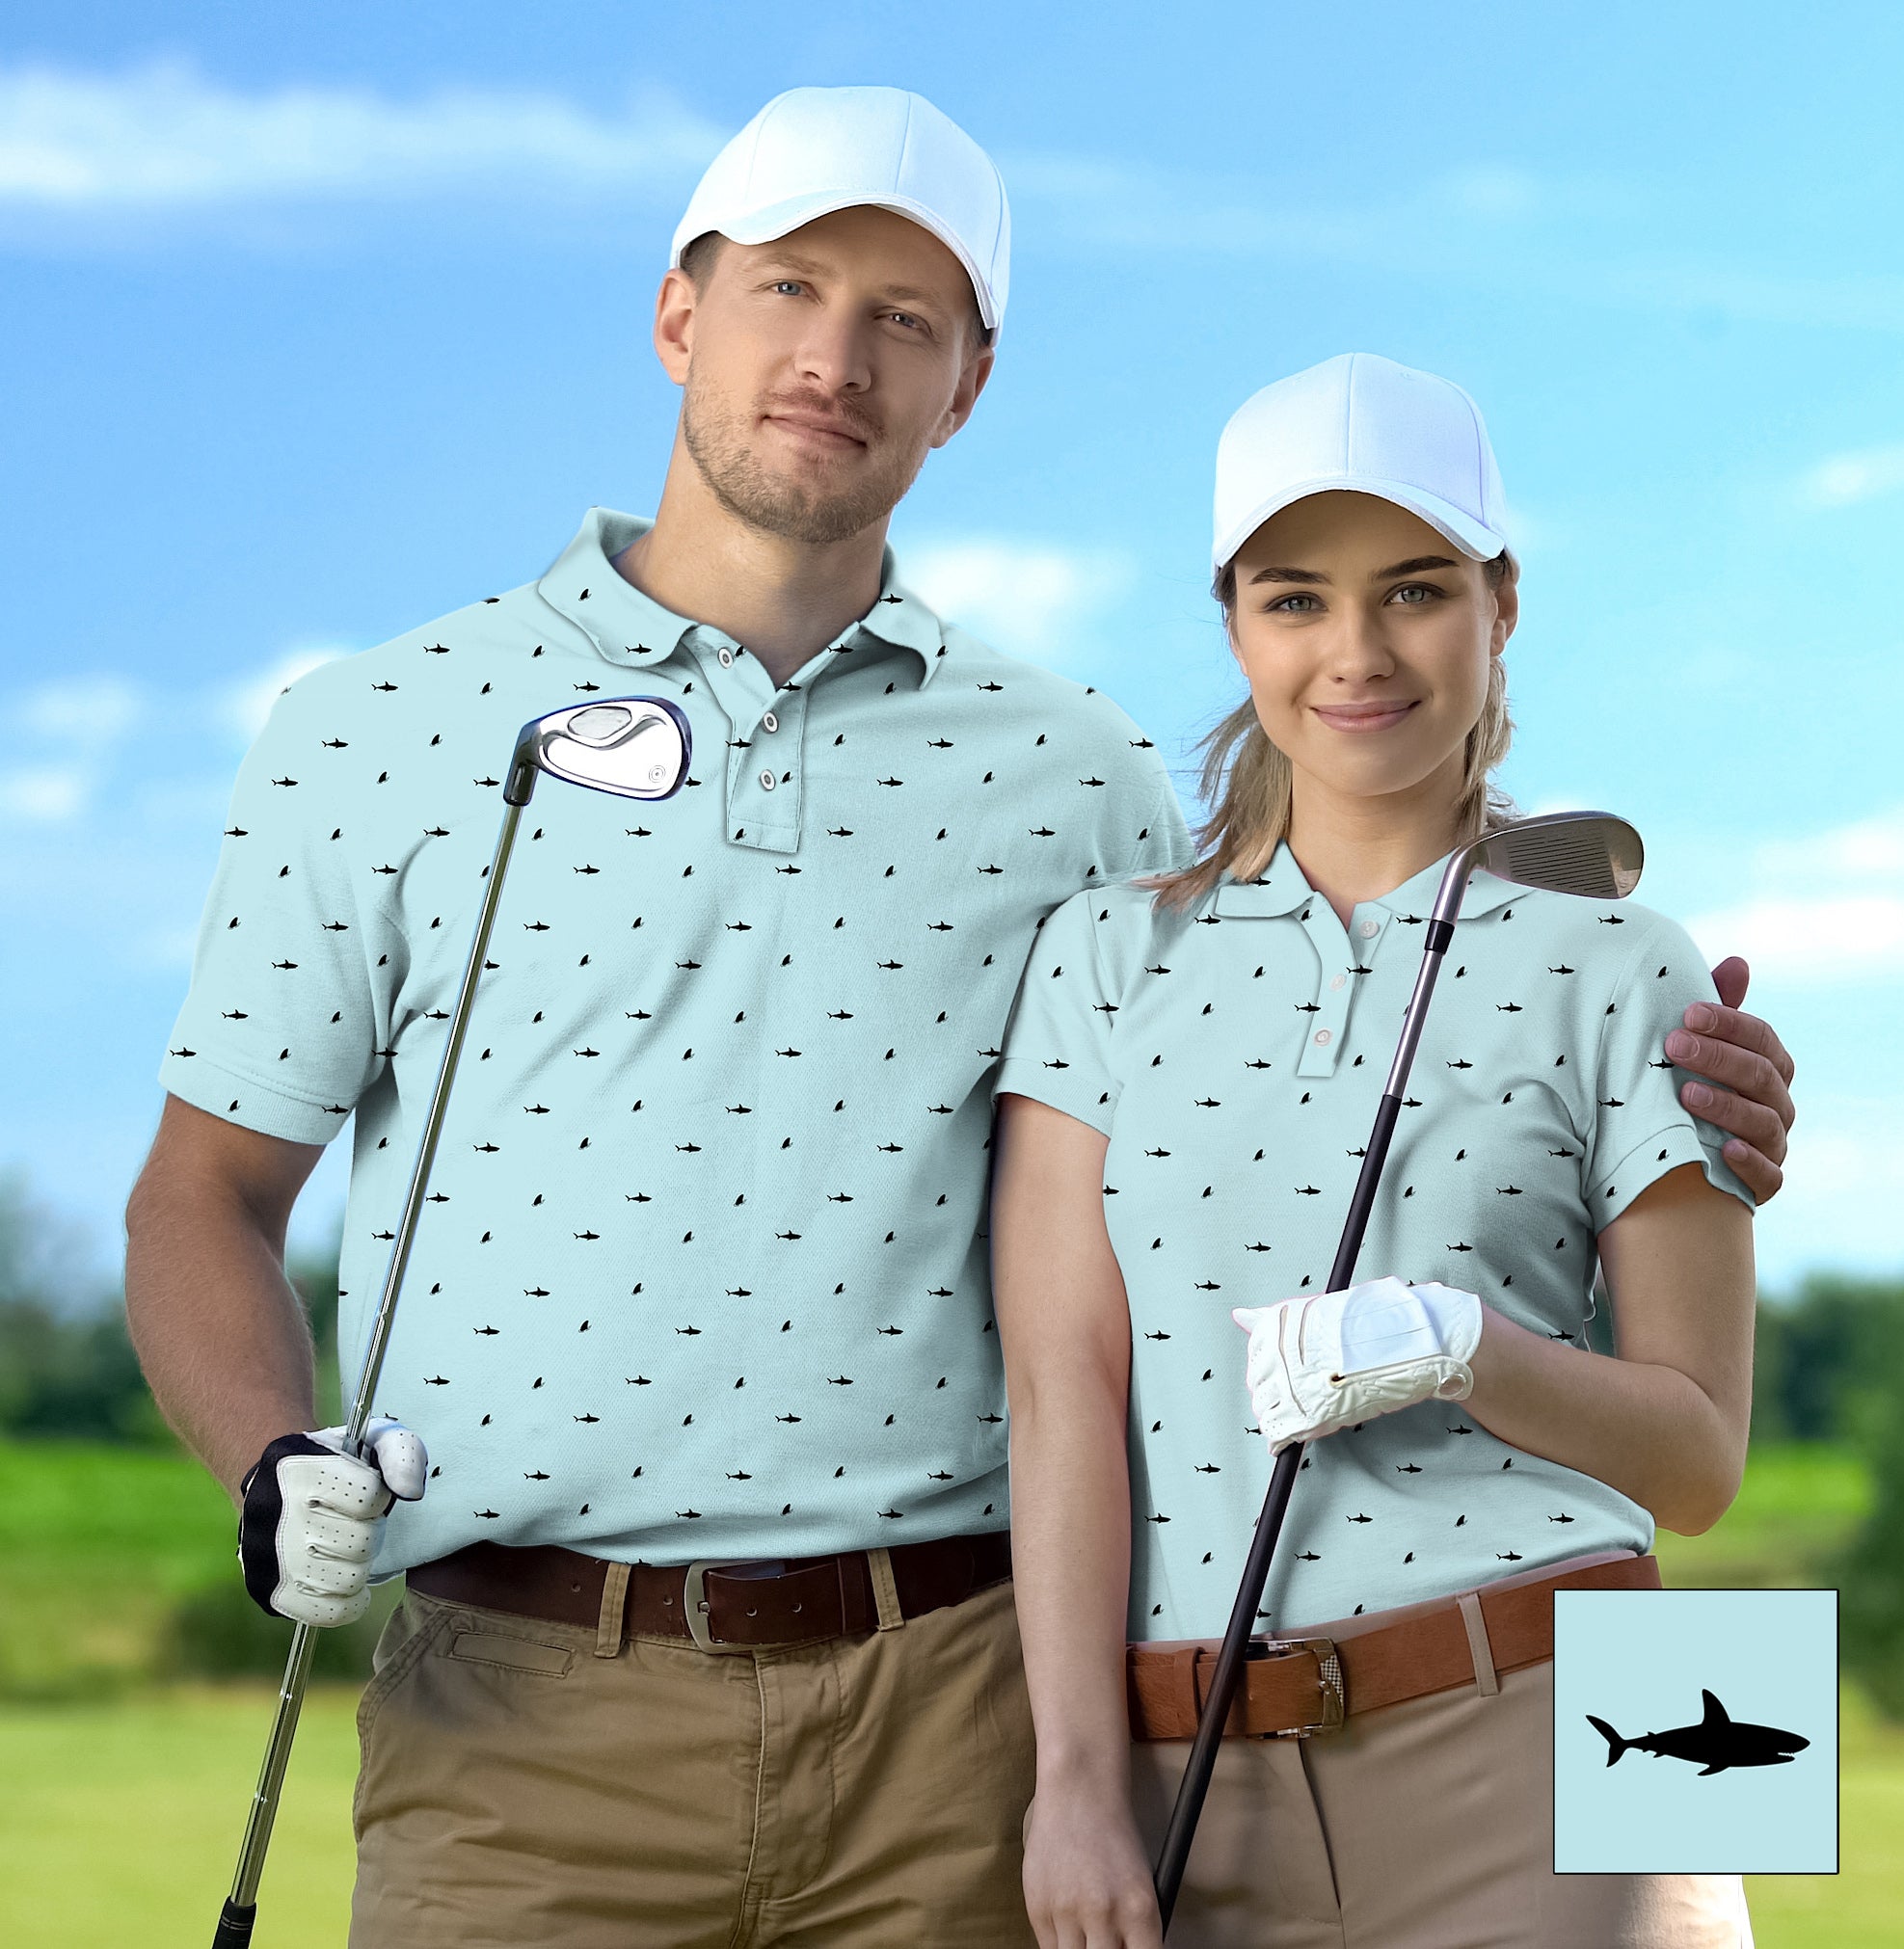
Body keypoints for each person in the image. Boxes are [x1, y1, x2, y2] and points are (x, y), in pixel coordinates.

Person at [121, 83, 1793, 1945]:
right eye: (787, 287)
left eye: (902, 318)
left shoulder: (1078, 771)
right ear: (677, 311)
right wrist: (269, 1461)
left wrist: (1659, 1054)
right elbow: (201, 1196)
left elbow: (1654, 1412)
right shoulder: (371, 728)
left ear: (968, 383)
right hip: (528, 1712)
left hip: (985, 1703)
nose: (834, 359)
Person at [992, 354, 1770, 1947]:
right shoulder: (1100, 958)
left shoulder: (1632, 960)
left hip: (1602, 1699)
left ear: (1500, 604)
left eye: (1414, 589)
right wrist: (1070, 1778)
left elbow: (1698, 1469)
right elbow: (1059, 1388)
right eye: (1295, 599)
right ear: (1232, 624)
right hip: (1193, 1764)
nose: (1355, 651)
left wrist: (1457, 1345)